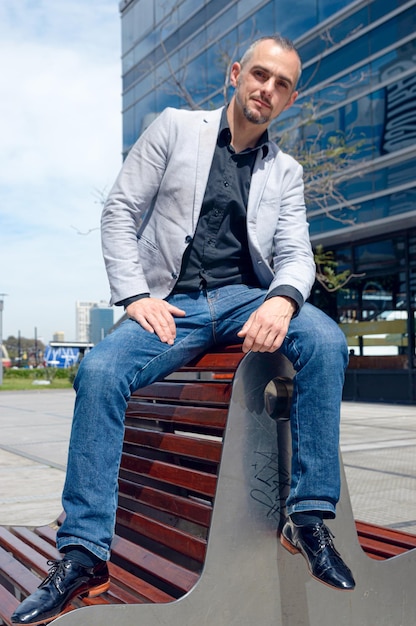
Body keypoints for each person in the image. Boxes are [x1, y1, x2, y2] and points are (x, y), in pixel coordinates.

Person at [11, 34, 355, 625]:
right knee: (99, 371)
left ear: (290, 98)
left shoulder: (287, 170)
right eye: (260, 75)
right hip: (178, 304)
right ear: (235, 73)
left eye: (282, 84)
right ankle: (84, 553)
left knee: (325, 339)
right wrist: (136, 294)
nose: (267, 89)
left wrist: (283, 300)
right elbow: (120, 209)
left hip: (251, 299)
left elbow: (296, 254)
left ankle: (308, 517)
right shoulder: (174, 128)